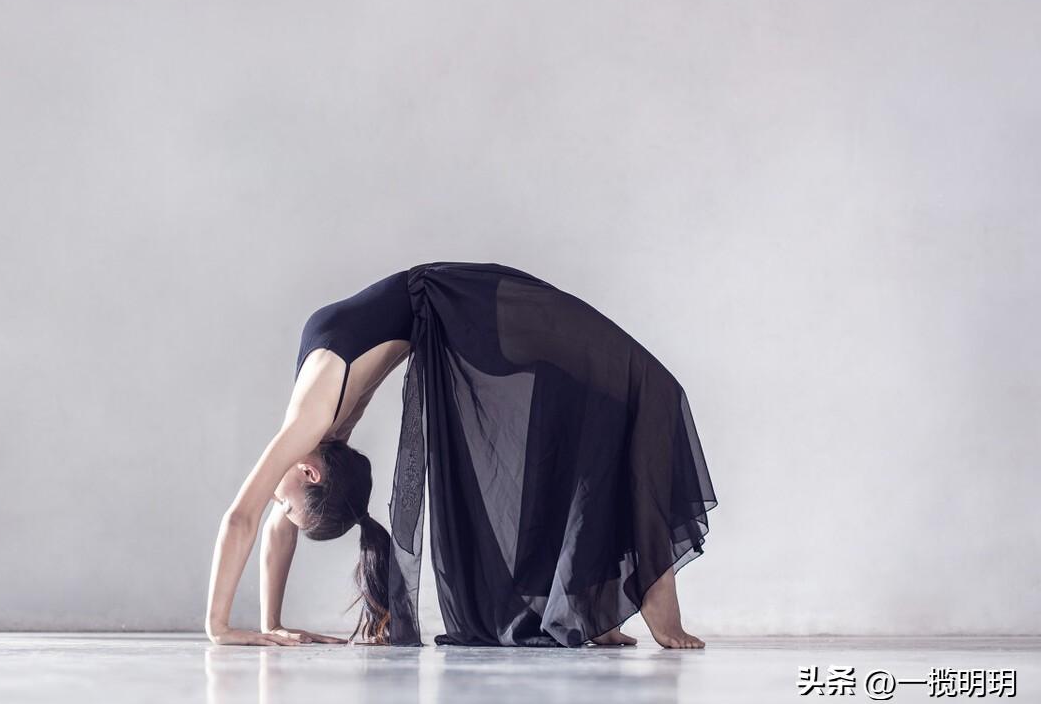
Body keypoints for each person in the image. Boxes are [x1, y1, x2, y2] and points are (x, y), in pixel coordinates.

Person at [204, 262, 717, 649]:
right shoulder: (323, 432)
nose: (282, 510)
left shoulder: (312, 421)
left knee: (649, 387)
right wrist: (270, 624)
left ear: (310, 471)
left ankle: (631, 590)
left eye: (291, 507)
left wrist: (219, 625)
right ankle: (600, 602)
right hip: (454, 321)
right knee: (601, 403)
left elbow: (242, 518)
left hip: (462, 303)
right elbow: (274, 525)